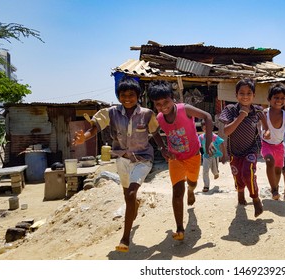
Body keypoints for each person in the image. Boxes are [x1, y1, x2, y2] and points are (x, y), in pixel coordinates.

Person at [72, 76, 165, 253]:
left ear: (138, 95)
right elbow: (95, 128)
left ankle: (125, 238)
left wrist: (164, 149)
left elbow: (155, 133)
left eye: (131, 95)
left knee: (130, 193)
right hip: (121, 159)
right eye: (123, 95)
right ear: (118, 96)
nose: (127, 98)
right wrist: (84, 137)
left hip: (143, 159)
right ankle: (134, 205)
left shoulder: (147, 114)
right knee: (127, 195)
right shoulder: (110, 113)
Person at [147, 80, 214, 241]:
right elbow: (154, 132)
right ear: (154, 104)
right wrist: (163, 148)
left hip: (193, 156)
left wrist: (208, 141)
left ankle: (191, 191)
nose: (163, 106)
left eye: (166, 102)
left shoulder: (185, 110)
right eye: (158, 104)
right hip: (175, 158)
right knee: (177, 192)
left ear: (173, 98)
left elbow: (207, 116)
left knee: (192, 183)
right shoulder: (160, 118)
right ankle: (179, 229)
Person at [218, 78, 268, 217]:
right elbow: (227, 131)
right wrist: (241, 115)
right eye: (241, 93)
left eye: (249, 93)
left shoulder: (257, 110)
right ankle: (240, 193)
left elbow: (264, 119)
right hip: (234, 151)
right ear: (236, 95)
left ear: (254, 95)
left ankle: (256, 198)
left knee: (248, 173)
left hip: (251, 149)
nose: (245, 96)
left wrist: (267, 130)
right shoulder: (230, 110)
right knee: (238, 175)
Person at [260, 83, 285, 201]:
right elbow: (262, 127)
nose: (279, 100)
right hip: (266, 145)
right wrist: (265, 132)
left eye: (282, 98)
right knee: (269, 162)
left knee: (278, 171)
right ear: (269, 99)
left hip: (279, 146)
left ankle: (276, 186)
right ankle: (274, 190)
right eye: (276, 97)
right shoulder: (264, 113)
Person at [198, 119, 228, 193]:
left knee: (214, 170)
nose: (205, 129)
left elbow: (222, 143)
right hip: (205, 156)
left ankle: (216, 173)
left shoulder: (214, 137)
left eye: (207, 127)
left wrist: (224, 155)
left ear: (211, 128)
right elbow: (197, 145)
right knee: (205, 171)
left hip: (214, 156)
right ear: (202, 128)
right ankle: (206, 186)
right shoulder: (201, 137)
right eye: (204, 128)